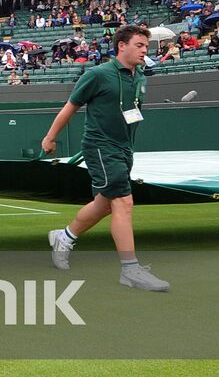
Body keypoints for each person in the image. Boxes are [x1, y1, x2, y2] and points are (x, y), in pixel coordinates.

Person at [41, 24, 169, 292]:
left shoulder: (141, 78)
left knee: (104, 204)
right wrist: (50, 137)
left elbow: (131, 113)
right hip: (100, 147)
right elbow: (70, 107)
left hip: (124, 149)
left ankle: (63, 237)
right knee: (123, 201)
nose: (145, 50)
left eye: (146, 46)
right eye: (139, 45)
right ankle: (130, 269)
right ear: (121, 46)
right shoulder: (98, 75)